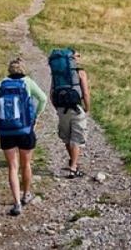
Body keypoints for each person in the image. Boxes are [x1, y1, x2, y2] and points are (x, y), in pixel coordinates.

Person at [0, 56, 47, 216]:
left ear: (9, 69)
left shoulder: (2, 83)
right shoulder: (28, 82)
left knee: (12, 167)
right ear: (24, 69)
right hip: (25, 129)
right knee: (26, 165)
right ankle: (26, 194)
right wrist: (35, 116)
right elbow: (43, 99)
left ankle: (17, 203)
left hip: (6, 131)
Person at [54, 49, 91, 178]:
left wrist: (57, 108)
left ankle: (73, 162)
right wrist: (87, 108)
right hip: (76, 108)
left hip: (61, 109)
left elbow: (51, 93)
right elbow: (85, 93)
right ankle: (74, 167)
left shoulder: (57, 74)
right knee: (76, 138)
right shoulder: (80, 72)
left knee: (67, 137)